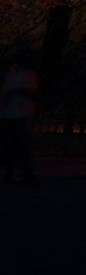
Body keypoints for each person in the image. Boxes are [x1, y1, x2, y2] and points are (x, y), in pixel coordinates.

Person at [0, 50, 39, 185]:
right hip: (17, 115)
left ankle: (9, 175)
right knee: (22, 148)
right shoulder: (20, 74)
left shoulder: (13, 73)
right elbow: (21, 91)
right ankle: (27, 176)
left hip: (12, 115)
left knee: (12, 147)